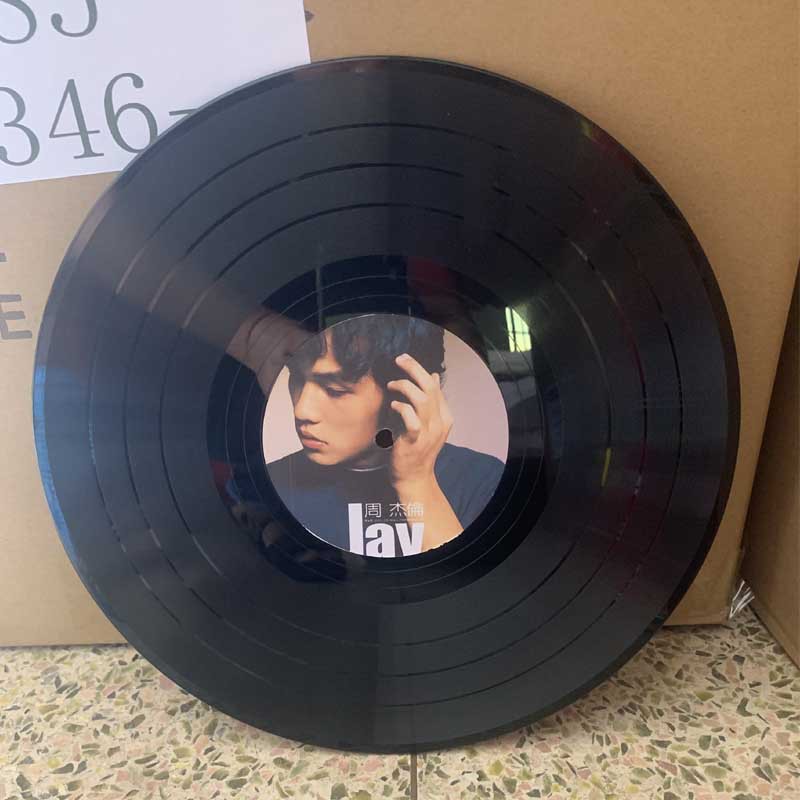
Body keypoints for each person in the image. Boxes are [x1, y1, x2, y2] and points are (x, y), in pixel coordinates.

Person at [265, 314, 506, 556]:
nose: (301, 410)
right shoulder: (271, 482)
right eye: (297, 378)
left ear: (404, 393)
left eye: (334, 390)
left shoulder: (483, 480)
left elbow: (469, 576)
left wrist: (416, 482)